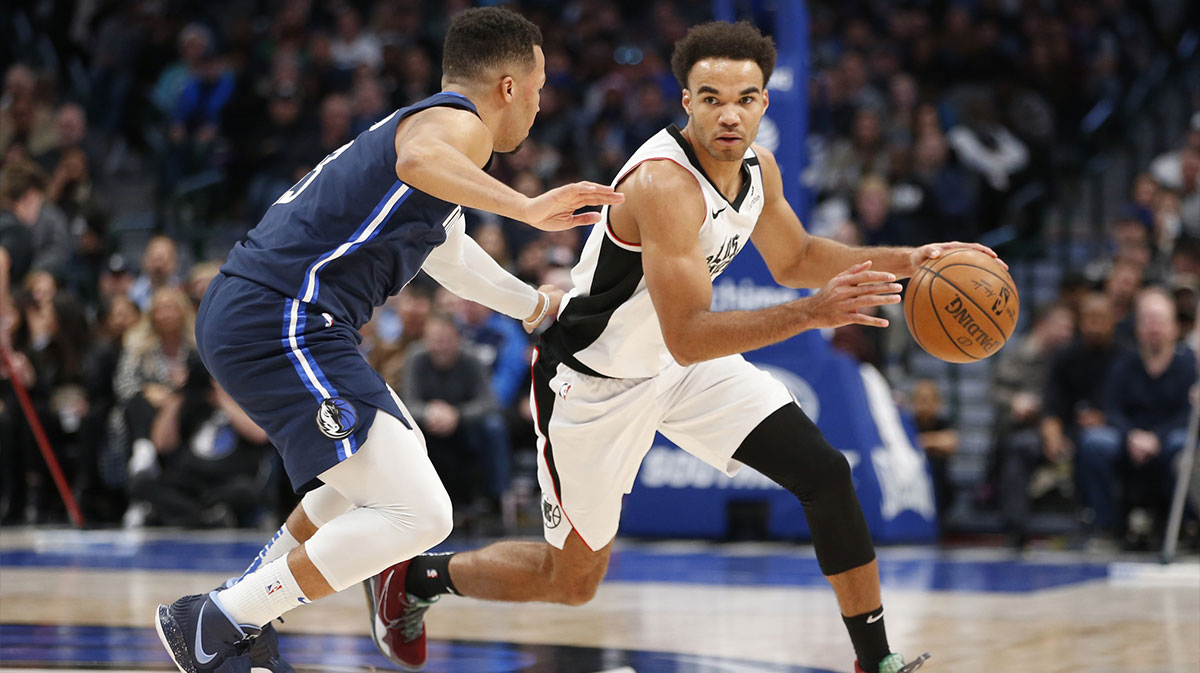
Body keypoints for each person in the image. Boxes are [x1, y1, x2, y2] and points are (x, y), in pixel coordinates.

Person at [366, 21, 1000, 673]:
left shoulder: (759, 168)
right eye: (712, 97)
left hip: (678, 368)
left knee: (825, 472)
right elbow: (691, 331)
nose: (730, 113)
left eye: (745, 98)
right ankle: (414, 578)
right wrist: (814, 313)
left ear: (763, 104)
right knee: (572, 580)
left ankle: (878, 662)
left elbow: (798, 256)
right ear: (686, 102)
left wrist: (912, 259)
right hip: (594, 380)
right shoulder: (664, 184)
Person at [153, 8, 622, 673]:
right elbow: (418, 156)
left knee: (383, 469)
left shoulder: (438, 136)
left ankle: (242, 613)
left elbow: (449, 255)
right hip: (281, 316)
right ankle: (220, 619)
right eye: (540, 90)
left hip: (271, 313)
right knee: (422, 513)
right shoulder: (456, 125)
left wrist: (534, 305)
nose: (541, 107)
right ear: (509, 86)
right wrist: (526, 207)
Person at [1076, 287, 1196, 546]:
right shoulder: (1125, 361)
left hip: (1168, 439)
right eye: (1147, 320)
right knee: (1095, 443)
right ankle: (1106, 526)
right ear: (1138, 327)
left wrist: (1156, 438)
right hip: (1129, 439)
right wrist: (1132, 435)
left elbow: (1188, 414)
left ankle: (1185, 527)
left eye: (1160, 321)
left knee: (1181, 445)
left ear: (1174, 327)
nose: (1153, 327)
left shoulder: (1188, 363)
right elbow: (1111, 407)